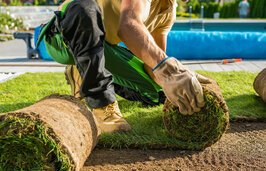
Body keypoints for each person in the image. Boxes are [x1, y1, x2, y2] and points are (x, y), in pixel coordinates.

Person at [36, 0, 212, 133]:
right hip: (64, 34)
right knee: (83, 7)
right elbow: (128, 26)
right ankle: (102, 104)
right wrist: (169, 69)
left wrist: (178, 77)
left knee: (157, 94)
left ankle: (81, 72)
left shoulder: (167, 11)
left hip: (101, 47)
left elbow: (154, 63)